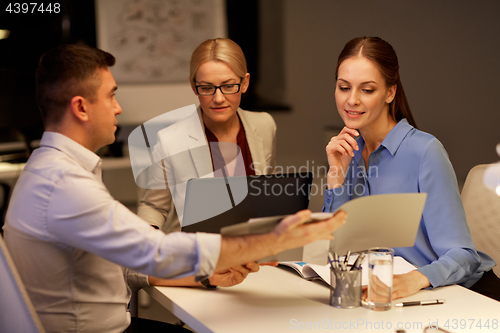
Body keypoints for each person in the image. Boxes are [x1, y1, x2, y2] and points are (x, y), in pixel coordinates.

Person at [2, 44, 347, 333]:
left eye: (227, 86)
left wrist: (206, 276)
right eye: (112, 96)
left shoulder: (51, 170)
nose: (119, 108)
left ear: (244, 84)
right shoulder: (65, 185)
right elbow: (153, 249)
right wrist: (276, 240)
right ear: (80, 107)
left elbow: (127, 259)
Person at [322, 36, 500, 301]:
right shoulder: (348, 151)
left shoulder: (425, 151)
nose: (352, 100)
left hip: (458, 295)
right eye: (344, 87)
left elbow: (463, 254)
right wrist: (336, 174)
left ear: (390, 93)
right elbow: (340, 250)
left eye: (367, 90)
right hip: (388, 295)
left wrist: (411, 281)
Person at [137, 38, 276, 233]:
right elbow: (153, 207)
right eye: (207, 88)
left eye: (228, 86)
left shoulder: (264, 125)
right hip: (195, 254)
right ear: (194, 87)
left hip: (250, 252)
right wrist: (148, 244)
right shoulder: (169, 140)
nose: (218, 99)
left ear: (245, 83)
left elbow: (265, 196)